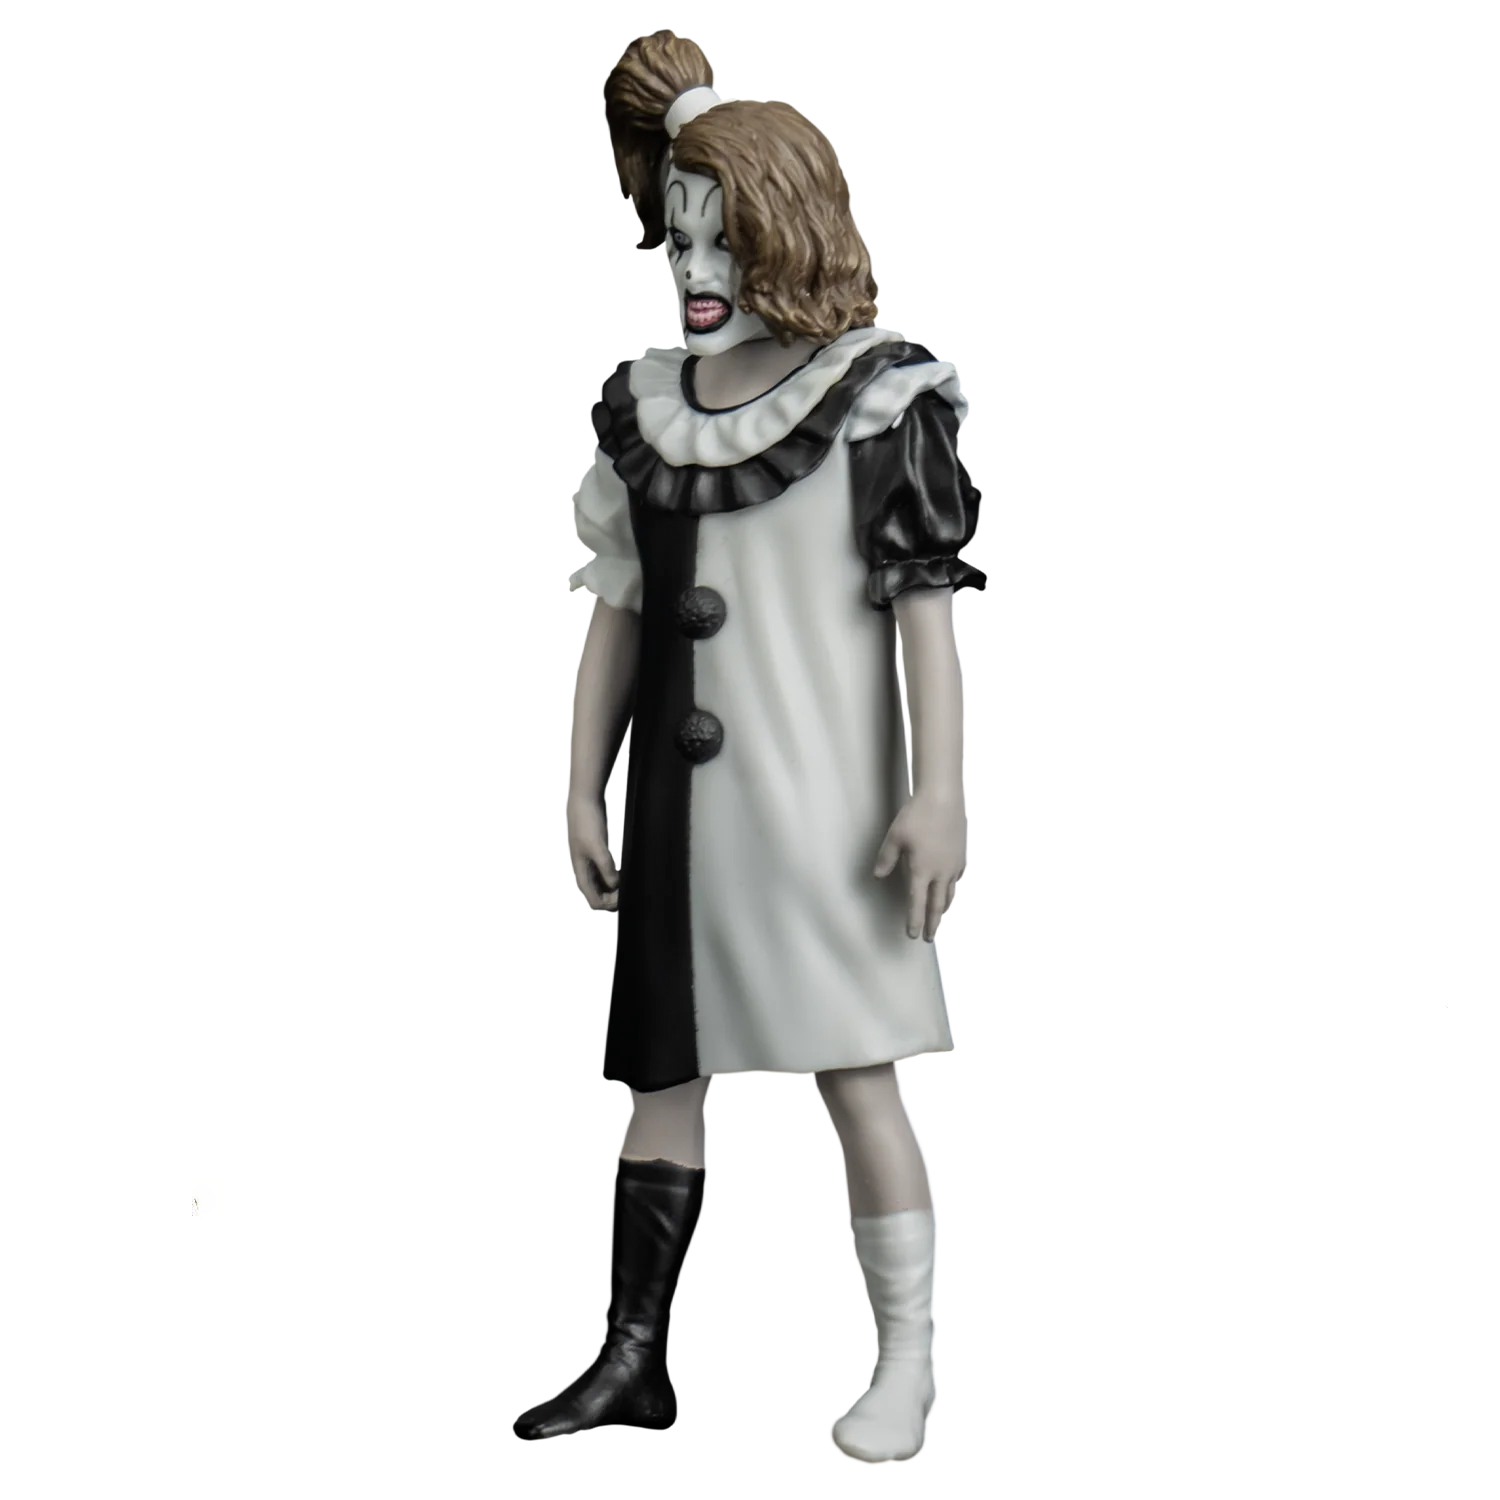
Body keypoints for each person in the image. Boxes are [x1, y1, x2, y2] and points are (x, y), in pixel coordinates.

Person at [513, 30, 985, 1463]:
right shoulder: (649, 410)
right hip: (682, 817)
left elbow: (923, 613)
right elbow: (620, 610)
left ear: (790, 235)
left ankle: (908, 1361)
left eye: (725, 241)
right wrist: (580, 781)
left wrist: (942, 794)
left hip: (827, 810)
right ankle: (633, 1357)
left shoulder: (877, 398)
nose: (697, 272)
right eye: (681, 241)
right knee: (663, 1079)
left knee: (858, 1073)